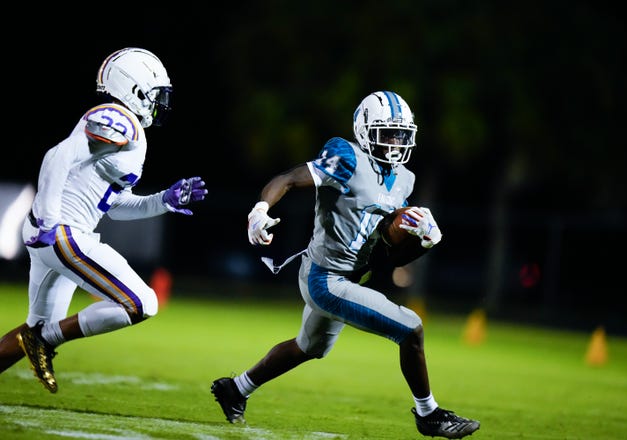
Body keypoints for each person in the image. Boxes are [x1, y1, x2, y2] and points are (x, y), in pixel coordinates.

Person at [210, 91, 480, 438]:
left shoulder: (405, 179)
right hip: (325, 277)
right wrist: (260, 211)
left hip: (353, 277)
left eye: (401, 134)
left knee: (310, 347)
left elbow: (389, 255)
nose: (396, 142)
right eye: (388, 133)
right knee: (411, 328)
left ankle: (236, 389)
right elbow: (289, 179)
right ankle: (428, 414)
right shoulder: (347, 157)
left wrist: (424, 241)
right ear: (365, 130)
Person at [0, 47, 207, 393]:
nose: (160, 104)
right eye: (156, 95)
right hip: (63, 232)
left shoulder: (122, 127)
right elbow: (57, 156)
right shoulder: (121, 118)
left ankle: (42, 337)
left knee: (32, 330)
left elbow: (112, 205)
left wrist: (162, 202)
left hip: (58, 233)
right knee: (142, 303)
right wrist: (50, 218)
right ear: (135, 89)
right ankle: (47, 340)